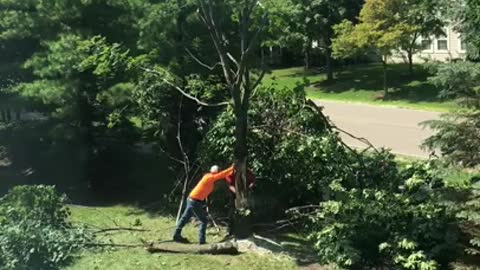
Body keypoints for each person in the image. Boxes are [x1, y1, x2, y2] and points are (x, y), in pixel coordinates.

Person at [173, 164, 233, 244]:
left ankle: (176, 235)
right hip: (194, 201)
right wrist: (232, 167)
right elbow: (222, 175)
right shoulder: (209, 177)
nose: (219, 172)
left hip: (192, 200)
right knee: (203, 220)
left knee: (184, 218)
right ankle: (202, 241)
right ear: (216, 172)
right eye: (219, 171)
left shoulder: (209, 178)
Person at [225, 168, 256, 236]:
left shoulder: (248, 172)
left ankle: (249, 229)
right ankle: (230, 230)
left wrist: (249, 187)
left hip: (246, 193)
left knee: (248, 210)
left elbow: (253, 180)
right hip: (234, 194)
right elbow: (229, 185)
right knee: (232, 211)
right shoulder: (230, 173)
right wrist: (237, 193)